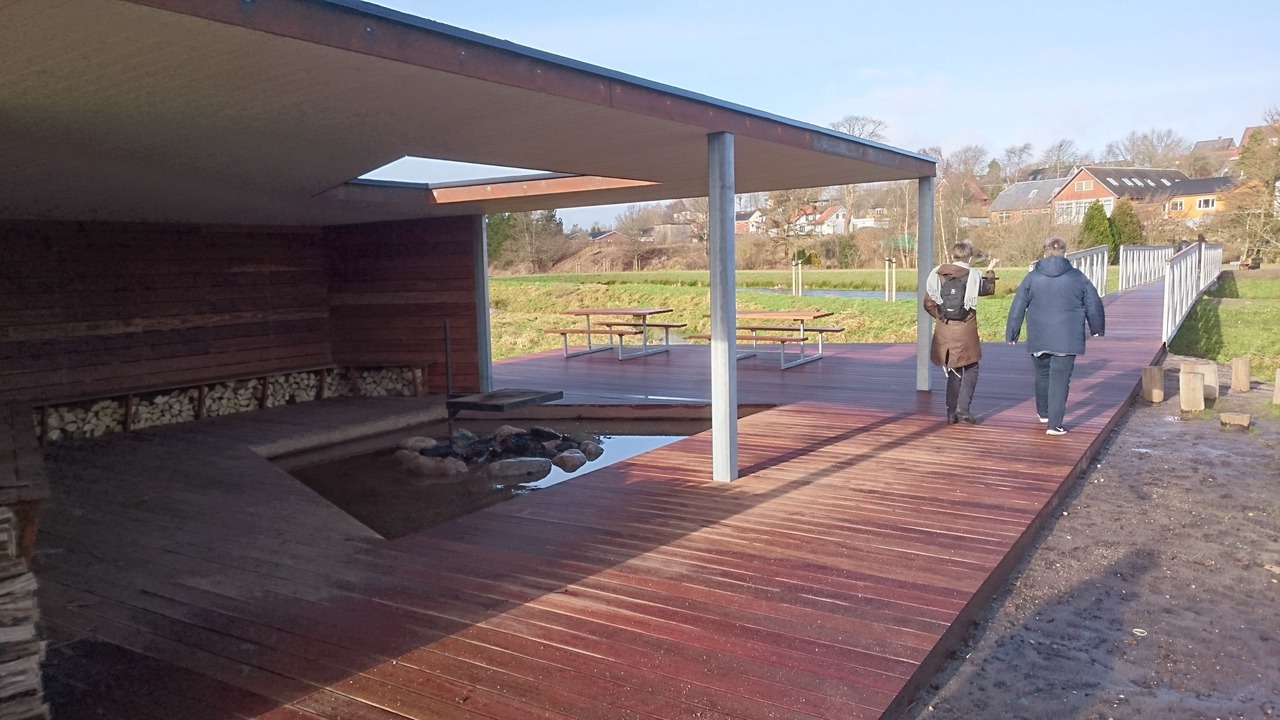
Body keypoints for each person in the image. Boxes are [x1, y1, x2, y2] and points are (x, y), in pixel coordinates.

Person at [1005, 236, 1106, 435]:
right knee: (1060, 379)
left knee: (1042, 375)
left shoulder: (1031, 278)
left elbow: (1018, 306)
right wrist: (1097, 328)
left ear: (1044, 253)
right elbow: (1093, 304)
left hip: (1039, 334)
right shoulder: (1078, 277)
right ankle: (1054, 425)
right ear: (1065, 253)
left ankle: (1043, 413)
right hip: (1067, 337)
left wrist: (1012, 333)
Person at [924, 241, 997, 425]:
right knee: (971, 367)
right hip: (967, 330)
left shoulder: (937, 274)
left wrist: (941, 317)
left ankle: (950, 412)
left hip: (945, 330)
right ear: (970, 257)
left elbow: (928, 303)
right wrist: (989, 270)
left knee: (954, 370)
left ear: (952, 256)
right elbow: (988, 290)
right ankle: (963, 407)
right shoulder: (973, 276)